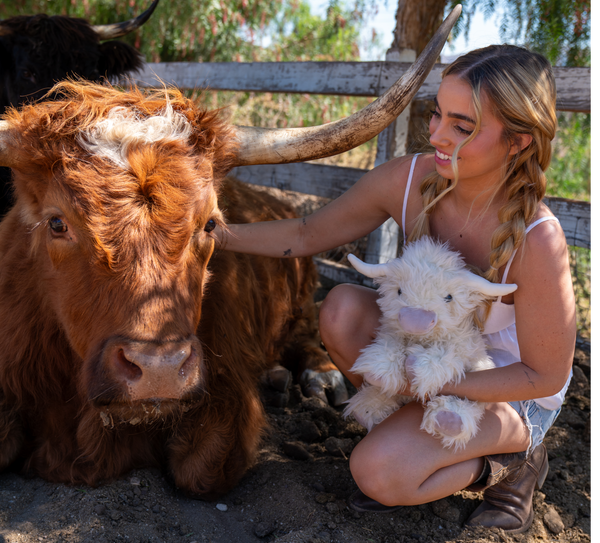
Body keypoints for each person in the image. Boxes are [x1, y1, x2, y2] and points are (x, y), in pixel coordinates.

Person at [215, 44, 576, 534]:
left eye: (462, 126)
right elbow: (306, 234)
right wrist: (213, 237)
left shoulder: (537, 239)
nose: (437, 135)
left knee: (377, 474)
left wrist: (437, 380)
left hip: (508, 389)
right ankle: (414, 435)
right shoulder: (411, 179)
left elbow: (544, 377)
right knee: (341, 309)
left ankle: (512, 464)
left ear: (519, 142)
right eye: (437, 115)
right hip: (425, 352)